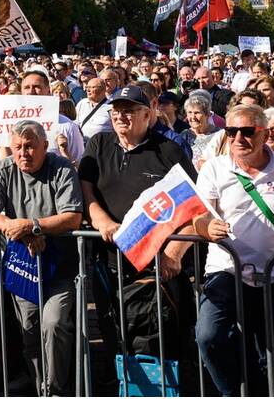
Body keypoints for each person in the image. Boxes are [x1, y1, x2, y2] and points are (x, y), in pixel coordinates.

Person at [79, 85, 199, 391]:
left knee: (155, 350)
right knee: (115, 342)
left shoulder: (168, 150)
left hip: (154, 272)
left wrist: (173, 253)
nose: (121, 116)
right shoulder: (99, 143)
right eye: (116, 111)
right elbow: (86, 187)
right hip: (108, 266)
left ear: (148, 115)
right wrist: (101, 219)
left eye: (129, 110)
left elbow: (195, 208)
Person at [193, 104, 274, 396]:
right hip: (225, 269)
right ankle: (233, 392)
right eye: (231, 131)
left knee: (272, 356)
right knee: (208, 336)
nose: (238, 138)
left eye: (247, 132)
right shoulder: (215, 169)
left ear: (264, 133)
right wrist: (207, 228)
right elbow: (199, 215)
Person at [0, 120, 82, 397]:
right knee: (30, 332)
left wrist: (33, 225)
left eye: (30, 146)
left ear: (44, 147)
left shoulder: (61, 167)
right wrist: (20, 229)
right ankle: (40, 388)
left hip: (60, 268)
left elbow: (72, 216)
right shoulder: (5, 167)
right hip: (25, 266)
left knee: (54, 323)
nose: (23, 153)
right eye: (18, 147)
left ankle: (56, 390)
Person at [20, 69, 85, 165]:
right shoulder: (9, 124)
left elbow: (80, 166)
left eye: (37, 87)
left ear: (48, 91)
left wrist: (65, 151)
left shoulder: (67, 126)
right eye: (26, 87)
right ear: (21, 91)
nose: (31, 91)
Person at [181, 92, 220, 169]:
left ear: (207, 114)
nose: (193, 117)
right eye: (189, 112)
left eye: (197, 113)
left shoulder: (219, 134)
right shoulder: (184, 135)